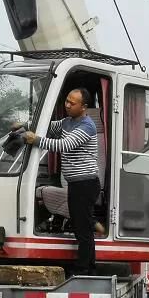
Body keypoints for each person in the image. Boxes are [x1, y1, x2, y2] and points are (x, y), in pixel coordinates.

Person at [21, 88, 100, 275]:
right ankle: (89, 266)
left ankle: (84, 269)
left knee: (83, 228)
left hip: (85, 184)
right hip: (76, 184)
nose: (67, 105)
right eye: (66, 101)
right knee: (83, 225)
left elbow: (63, 145)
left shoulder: (87, 126)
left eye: (72, 103)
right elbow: (45, 126)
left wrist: (36, 140)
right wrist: (24, 125)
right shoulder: (66, 122)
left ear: (84, 107)